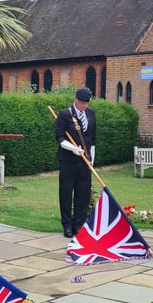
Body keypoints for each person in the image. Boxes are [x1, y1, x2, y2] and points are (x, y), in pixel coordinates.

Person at [55, 87, 96, 238]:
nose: (84, 106)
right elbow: (59, 137)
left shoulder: (91, 114)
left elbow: (93, 139)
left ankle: (78, 224)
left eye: (86, 103)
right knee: (66, 192)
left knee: (83, 193)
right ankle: (66, 225)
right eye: (81, 103)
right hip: (68, 161)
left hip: (85, 162)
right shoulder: (65, 114)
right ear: (75, 100)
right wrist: (73, 148)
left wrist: (91, 159)